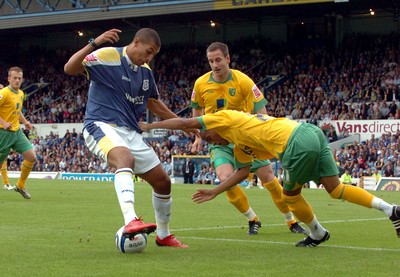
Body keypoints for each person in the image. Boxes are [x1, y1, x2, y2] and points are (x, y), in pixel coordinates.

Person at [139, 110, 400, 247]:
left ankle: (318, 233)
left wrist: (151, 127)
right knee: (335, 188)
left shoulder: (224, 117)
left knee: (290, 196)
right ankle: (391, 210)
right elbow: (242, 172)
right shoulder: (240, 144)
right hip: (310, 132)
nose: (212, 141)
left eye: (209, 137)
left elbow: (185, 122)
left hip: (295, 142)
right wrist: (215, 191)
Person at [64, 28, 188, 248]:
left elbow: (153, 103)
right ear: (137, 42)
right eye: (148, 51)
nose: (149, 58)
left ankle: (164, 235)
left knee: (163, 182)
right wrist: (96, 42)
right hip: (101, 124)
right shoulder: (108, 55)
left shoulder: (145, 71)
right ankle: (130, 219)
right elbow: (70, 68)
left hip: (131, 132)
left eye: (153, 55)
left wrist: (183, 124)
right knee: (125, 158)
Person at [190, 42, 305, 235]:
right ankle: (252, 218)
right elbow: (196, 113)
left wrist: (264, 135)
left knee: (268, 178)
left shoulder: (243, 81)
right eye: (211, 61)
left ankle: (291, 220)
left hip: (244, 138)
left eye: (218, 60)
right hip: (219, 140)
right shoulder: (201, 83)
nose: (215, 65)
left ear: (227, 59)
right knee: (224, 178)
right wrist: (197, 137)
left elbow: (262, 111)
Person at [0, 67, 36, 199]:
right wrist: (3, 123)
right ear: (9, 78)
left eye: (19, 78)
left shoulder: (21, 93)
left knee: (31, 157)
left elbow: (17, 110)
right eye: (14, 77)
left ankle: (20, 185)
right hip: (3, 133)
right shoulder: (4, 93)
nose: (17, 80)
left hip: (16, 132)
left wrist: (25, 121)